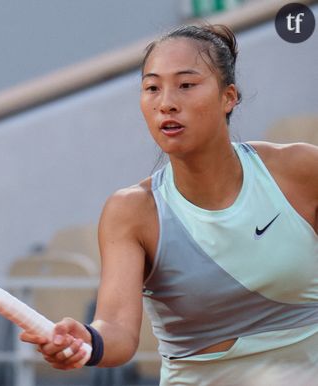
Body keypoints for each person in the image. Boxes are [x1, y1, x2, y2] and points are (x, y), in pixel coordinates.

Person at [21, 24, 318, 385]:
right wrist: (89, 341)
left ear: (229, 97)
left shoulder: (301, 171)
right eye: (152, 88)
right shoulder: (132, 212)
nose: (166, 103)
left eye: (186, 85)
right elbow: (117, 329)